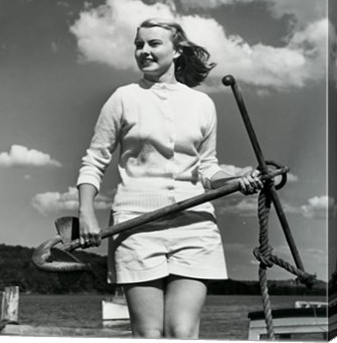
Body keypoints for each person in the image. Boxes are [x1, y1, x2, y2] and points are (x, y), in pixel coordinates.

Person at [76, 18, 263, 339]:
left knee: (182, 332)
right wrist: (86, 212)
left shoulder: (203, 104)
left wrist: (237, 179)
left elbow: (208, 169)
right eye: (139, 45)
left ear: (177, 51)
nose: (144, 51)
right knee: (149, 334)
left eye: (153, 44)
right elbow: (94, 160)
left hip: (195, 226)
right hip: (135, 225)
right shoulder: (123, 97)